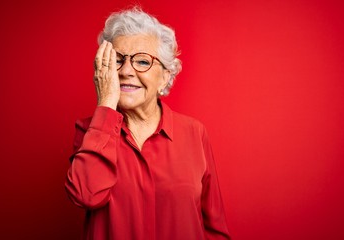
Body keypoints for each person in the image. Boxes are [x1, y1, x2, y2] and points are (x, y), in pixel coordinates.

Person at [65, 7, 231, 240]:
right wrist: (106, 104)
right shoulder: (89, 130)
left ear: (165, 75)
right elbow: (86, 195)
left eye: (142, 61)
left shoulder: (194, 133)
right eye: (118, 60)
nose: (126, 71)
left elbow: (214, 228)